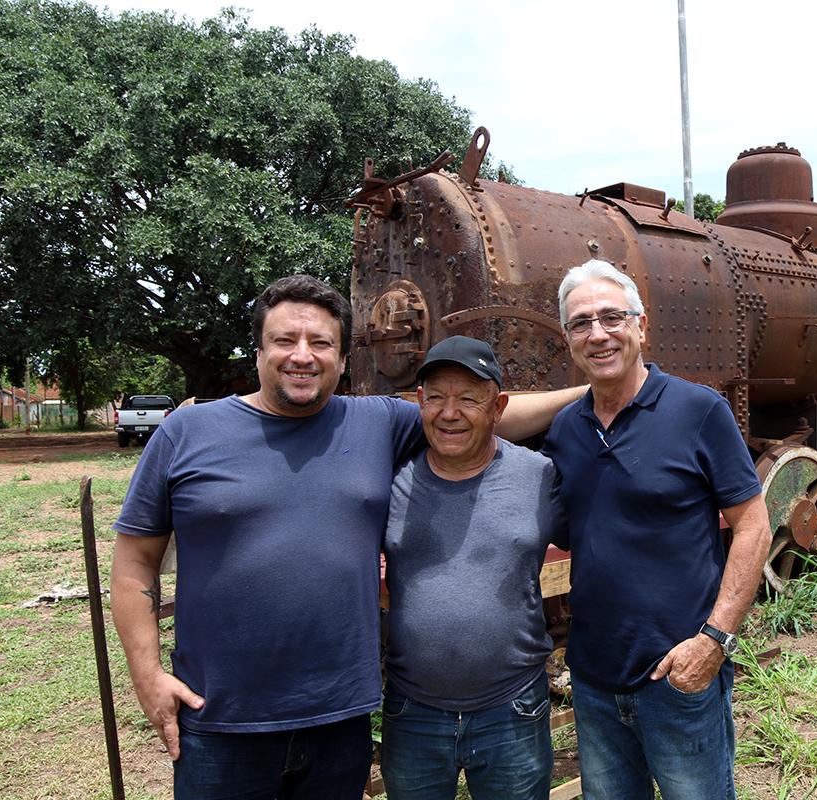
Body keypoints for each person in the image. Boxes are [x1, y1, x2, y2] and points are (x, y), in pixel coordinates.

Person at [110, 274, 579, 800]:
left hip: (338, 719)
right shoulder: (187, 433)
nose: (302, 356)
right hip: (220, 718)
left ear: (342, 357)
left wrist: (598, 388)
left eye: (321, 343)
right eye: (285, 341)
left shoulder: (374, 422)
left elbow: (477, 415)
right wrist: (147, 676)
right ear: (259, 350)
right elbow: (133, 564)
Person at [543, 259, 771, 800]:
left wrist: (714, 641)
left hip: (679, 674)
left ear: (641, 327)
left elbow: (755, 527)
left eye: (611, 317)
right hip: (595, 679)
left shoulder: (698, 410)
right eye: (581, 323)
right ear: (568, 339)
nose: (597, 333)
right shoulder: (565, 430)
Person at [379, 335, 566, 800]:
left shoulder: (539, 476)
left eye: (468, 398)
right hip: (412, 710)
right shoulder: (390, 479)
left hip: (513, 708)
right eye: (436, 397)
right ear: (419, 402)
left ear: (498, 407)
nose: (449, 412)